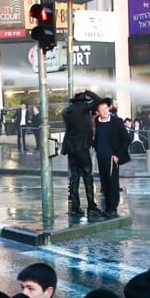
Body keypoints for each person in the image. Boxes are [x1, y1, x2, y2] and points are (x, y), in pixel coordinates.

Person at [63, 90, 101, 220]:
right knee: (87, 176)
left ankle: (75, 207)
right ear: (83, 102)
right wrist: (89, 92)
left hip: (71, 147)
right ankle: (91, 207)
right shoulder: (84, 108)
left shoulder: (66, 111)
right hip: (82, 147)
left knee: (74, 177)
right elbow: (98, 100)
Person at [94, 97, 130, 218]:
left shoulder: (116, 121)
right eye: (101, 109)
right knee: (104, 183)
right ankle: (108, 207)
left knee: (112, 183)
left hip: (112, 157)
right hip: (100, 156)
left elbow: (126, 139)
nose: (104, 111)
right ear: (97, 112)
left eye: (106, 109)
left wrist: (117, 155)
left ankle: (113, 208)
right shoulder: (97, 122)